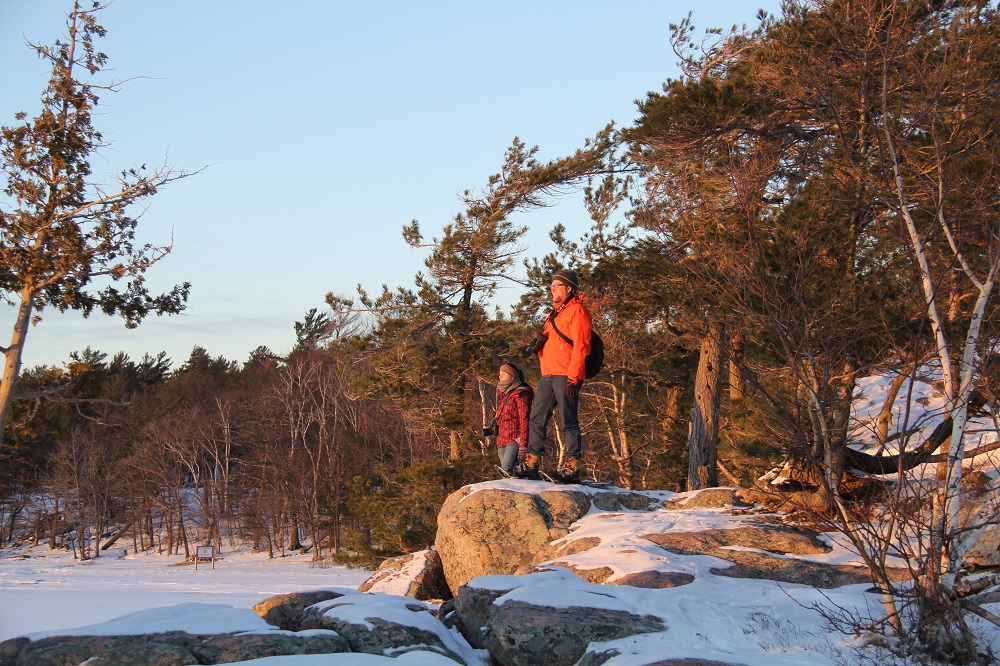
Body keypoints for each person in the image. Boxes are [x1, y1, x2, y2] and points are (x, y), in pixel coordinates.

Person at [517, 269, 593, 483]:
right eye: (551, 286)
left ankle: (571, 467)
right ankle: (531, 464)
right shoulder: (554, 314)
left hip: (566, 375)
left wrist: (574, 377)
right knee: (536, 418)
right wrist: (539, 346)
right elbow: (555, 344)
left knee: (569, 421)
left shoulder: (578, 311)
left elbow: (581, 346)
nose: (552, 289)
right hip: (548, 374)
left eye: (556, 286)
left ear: (569, 288)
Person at [492, 362, 533, 475]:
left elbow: (524, 419)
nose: (500, 376)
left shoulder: (520, 394)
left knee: (506, 470)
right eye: (500, 374)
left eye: (503, 374)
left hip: (515, 439)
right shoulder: (503, 394)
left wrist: (523, 444)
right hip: (501, 440)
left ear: (512, 376)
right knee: (510, 473)